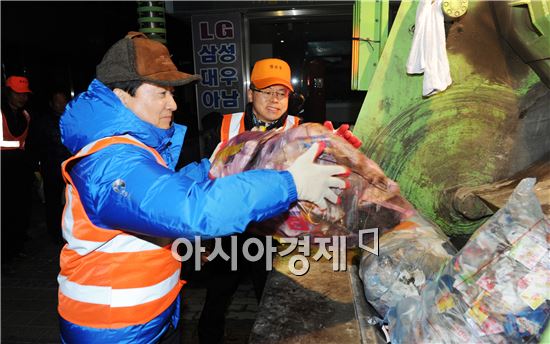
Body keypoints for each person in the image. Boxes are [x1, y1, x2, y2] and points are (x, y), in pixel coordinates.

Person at [56, 32, 348, 343]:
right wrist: (289, 183)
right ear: (121, 95)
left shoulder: (134, 148)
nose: (173, 103)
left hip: (145, 317)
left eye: (172, 93)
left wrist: (223, 165)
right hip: (112, 328)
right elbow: (192, 209)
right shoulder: (112, 161)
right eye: (161, 93)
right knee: (218, 299)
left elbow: (173, 187)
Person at [197, 58, 362, 344]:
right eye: (266, 91)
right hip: (229, 229)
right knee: (216, 300)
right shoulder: (223, 125)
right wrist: (201, 238)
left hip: (275, 232)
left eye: (281, 93)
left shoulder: (302, 129)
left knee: (272, 300)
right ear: (251, 93)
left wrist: (341, 149)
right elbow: (200, 183)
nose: (274, 100)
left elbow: (328, 173)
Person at [1, 75, 35, 274]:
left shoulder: (26, 115)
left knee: (20, 210)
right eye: (18, 93)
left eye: (25, 94)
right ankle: (4, 252)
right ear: (8, 93)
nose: (22, 97)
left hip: (20, 169)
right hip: (2, 169)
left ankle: (16, 248)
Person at [29, 90, 71, 245]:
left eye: (63, 101)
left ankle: (70, 231)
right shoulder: (42, 122)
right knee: (52, 203)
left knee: (70, 201)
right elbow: (35, 145)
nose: (61, 105)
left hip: (70, 168)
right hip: (51, 168)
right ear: (51, 104)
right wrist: (37, 167)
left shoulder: (72, 118)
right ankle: (55, 234)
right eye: (57, 102)